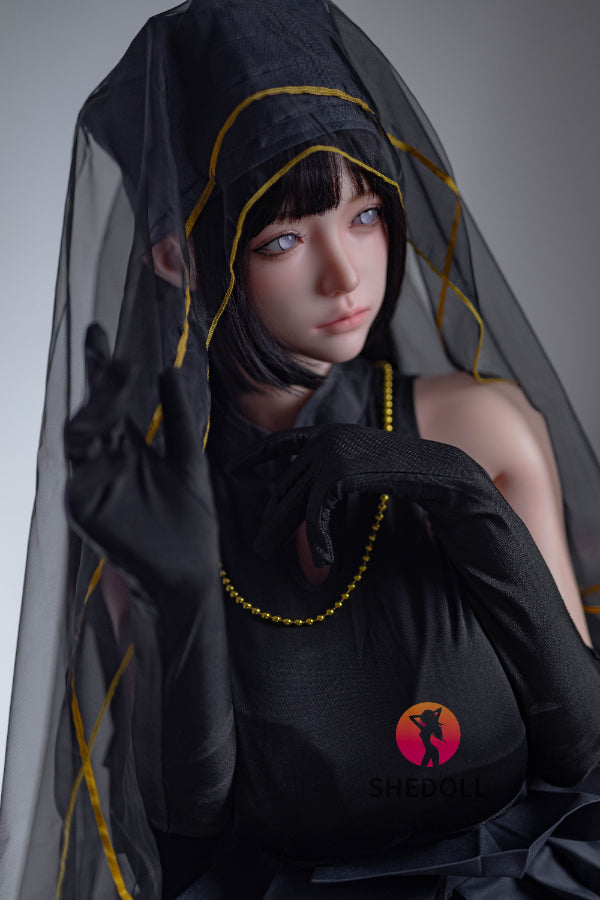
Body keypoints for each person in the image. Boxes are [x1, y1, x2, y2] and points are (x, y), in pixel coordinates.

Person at [2, 2, 600, 899]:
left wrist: (451, 485)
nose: (345, 273)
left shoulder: (480, 428)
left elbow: (582, 745)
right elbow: (192, 823)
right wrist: (185, 594)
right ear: (179, 259)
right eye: (284, 238)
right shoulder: (155, 506)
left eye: (365, 216)